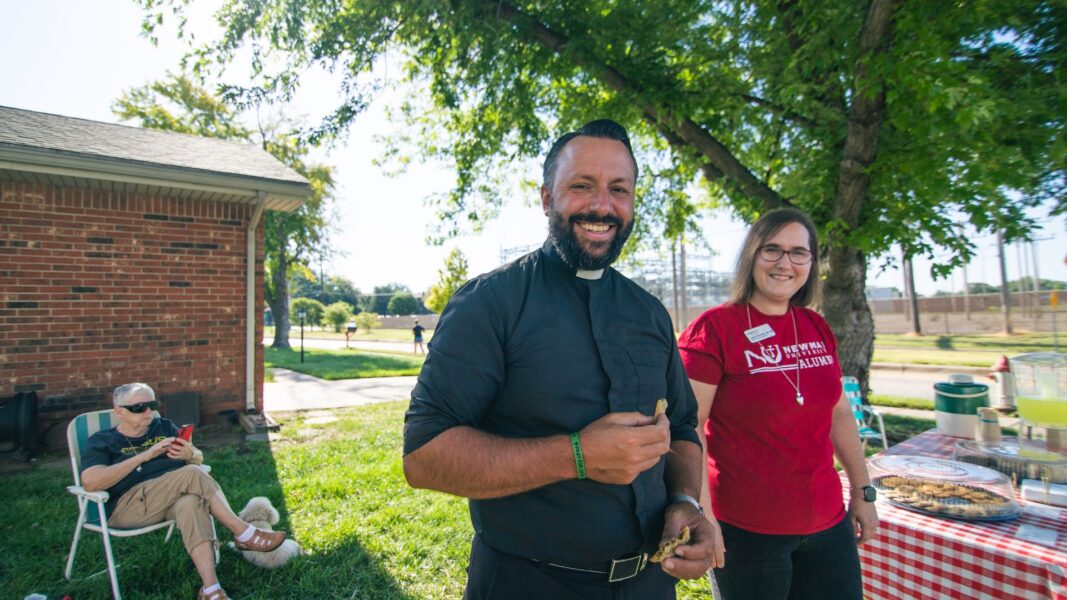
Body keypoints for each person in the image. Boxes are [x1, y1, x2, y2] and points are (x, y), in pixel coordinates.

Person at [403, 119, 716, 599]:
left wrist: (684, 500)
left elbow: (683, 429)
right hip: (527, 583)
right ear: (547, 197)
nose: (602, 206)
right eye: (581, 186)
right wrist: (578, 455)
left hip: (649, 587)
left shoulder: (649, 313)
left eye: (619, 189)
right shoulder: (491, 303)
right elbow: (424, 458)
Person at [677, 208, 879, 600]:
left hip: (828, 523)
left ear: (811, 263)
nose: (785, 263)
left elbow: (838, 413)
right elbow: (689, 428)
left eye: (798, 253)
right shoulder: (714, 329)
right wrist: (705, 518)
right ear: (752, 255)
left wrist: (862, 491)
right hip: (747, 533)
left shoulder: (816, 325)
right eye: (773, 250)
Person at [80, 383, 287, 600]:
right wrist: (144, 456)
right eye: (139, 407)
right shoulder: (103, 441)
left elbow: (196, 459)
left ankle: (211, 589)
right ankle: (243, 532)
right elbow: (91, 483)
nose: (148, 412)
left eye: (152, 405)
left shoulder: (164, 427)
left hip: (169, 499)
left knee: (191, 502)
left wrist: (191, 453)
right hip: (128, 506)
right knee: (192, 473)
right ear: (120, 411)